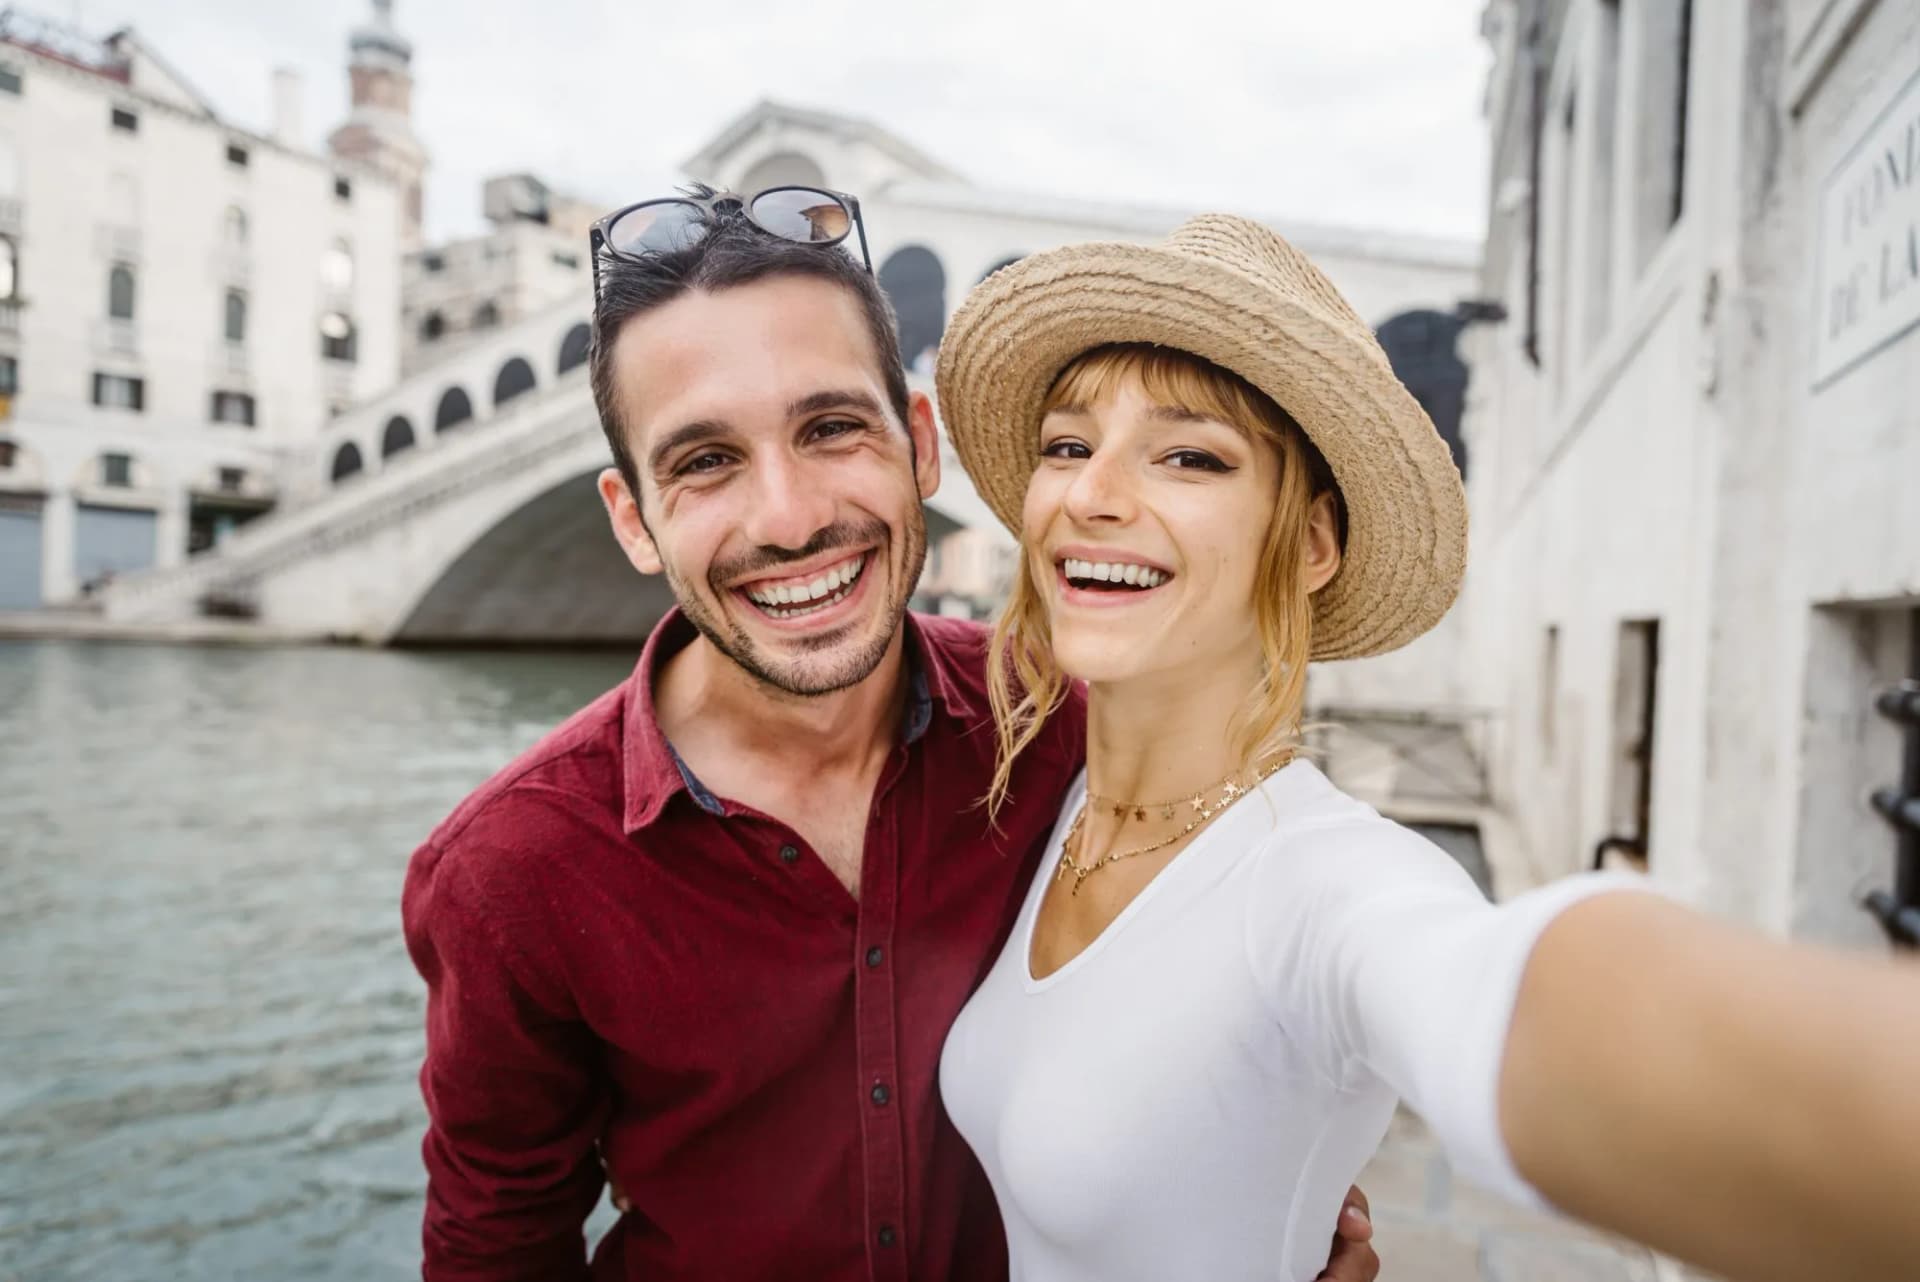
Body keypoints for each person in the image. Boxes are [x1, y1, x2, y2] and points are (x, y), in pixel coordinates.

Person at [400, 187, 1381, 1282]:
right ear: (634, 519)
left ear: (920, 443)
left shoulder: (1071, 723)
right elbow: (497, 1251)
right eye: (705, 461)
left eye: (830, 429)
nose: (790, 517)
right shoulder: (511, 871)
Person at [930, 214, 1920, 1282]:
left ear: (1310, 544)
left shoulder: (1326, 880)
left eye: (1189, 457)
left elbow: (1492, 995)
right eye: (1068, 446)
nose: (1091, 494)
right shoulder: (1042, 790)